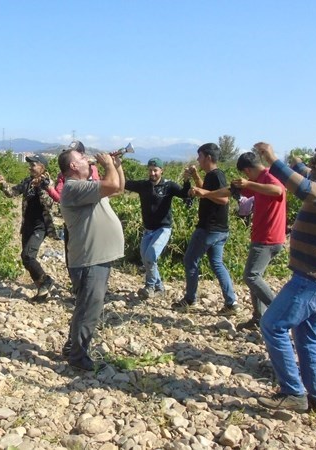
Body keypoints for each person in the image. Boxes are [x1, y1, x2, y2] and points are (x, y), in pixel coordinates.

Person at [254, 141, 316, 415]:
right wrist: (298, 163)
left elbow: (305, 188)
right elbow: (308, 178)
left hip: (315, 279)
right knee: (306, 335)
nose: (312, 165)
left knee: (273, 325)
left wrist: (273, 159)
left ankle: (293, 393)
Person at [58, 149, 125, 371]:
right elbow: (112, 185)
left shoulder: (86, 186)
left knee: (85, 306)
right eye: (81, 158)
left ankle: (72, 347)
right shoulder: (73, 187)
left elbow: (119, 188)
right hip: (89, 260)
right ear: (73, 167)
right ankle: (78, 357)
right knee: (89, 309)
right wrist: (107, 165)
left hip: (96, 258)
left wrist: (116, 164)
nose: (87, 160)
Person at [173, 143, 238, 315]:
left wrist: (205, 194)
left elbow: (224, 199)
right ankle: (231, 303)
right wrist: (195, 177)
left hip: (209, 228)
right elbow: (208, 191)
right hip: (220, 229)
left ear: (208, 157)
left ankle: (190, 299)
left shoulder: (217, 175)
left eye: (200, 156)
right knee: (217, 264)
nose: (198, 159)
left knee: (190, 260)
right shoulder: (212, 175)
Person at [124, 157, 190, 299]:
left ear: (161, 171)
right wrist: (116, 165)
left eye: (155, 170)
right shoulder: (143, 185)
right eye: (150, 170)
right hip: (148, 230)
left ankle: (150, 286)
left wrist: (186, 181)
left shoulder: (169, 186)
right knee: (146, 258)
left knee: (151, 254)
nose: (152, 173)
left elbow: (185, 194)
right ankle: (159, 288)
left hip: (163, 229)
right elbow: (125, 183)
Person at [233, 152, 286, 328]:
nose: (246, 178)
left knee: (251, 276)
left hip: (268, 238)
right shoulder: (259, 180)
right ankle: (258, 318)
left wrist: (249, 183)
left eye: (246, 174)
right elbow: (238, 191)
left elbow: (278, 190)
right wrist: (207, 193)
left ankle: (281, 312)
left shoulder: (269, 176)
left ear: (248, 169)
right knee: (256, 277)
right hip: (263, 237)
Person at [0, 154, 61, 299]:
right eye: (30, 165)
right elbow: (12, 192)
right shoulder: (27, 181)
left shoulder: (47, 183)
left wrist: (41, 187)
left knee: (28, 255)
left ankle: (46, 280)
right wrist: (3, 183)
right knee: (25, 258)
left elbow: (49, 203)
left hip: (41, 225)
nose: (30, 167)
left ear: (42, 167)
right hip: (27, 224)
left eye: (33, 165)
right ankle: (42, 291)